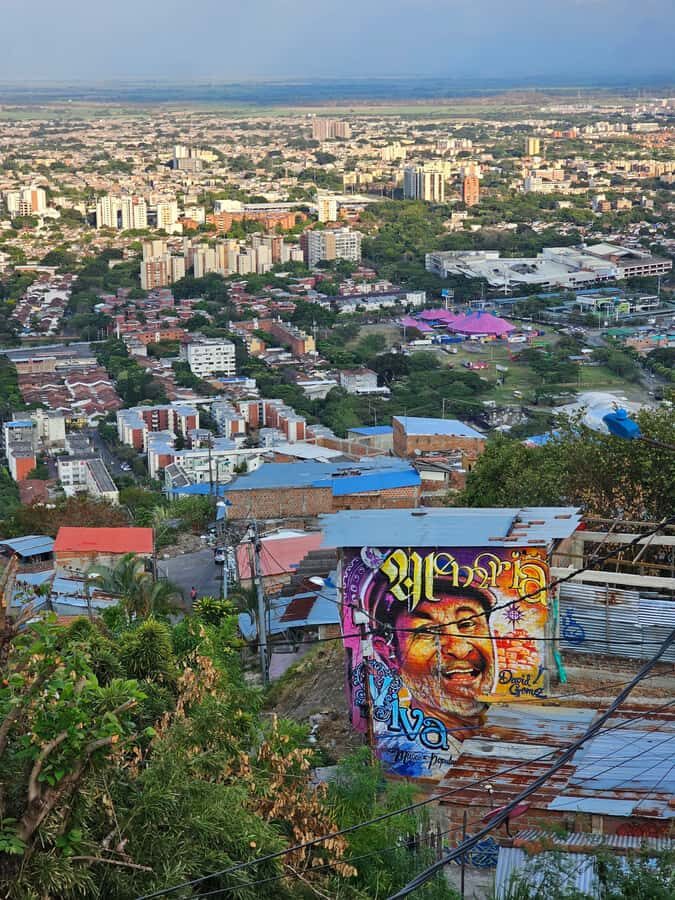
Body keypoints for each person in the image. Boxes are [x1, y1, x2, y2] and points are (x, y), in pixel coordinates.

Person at [371, 578, 497, 731]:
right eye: (426, 631)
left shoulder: (516, 729)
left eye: (467, 624)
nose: (460, 650)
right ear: (390, 654)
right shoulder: (403, 746)